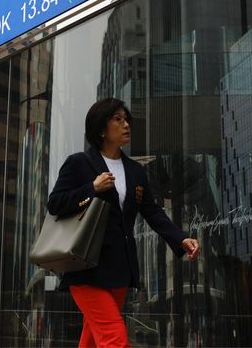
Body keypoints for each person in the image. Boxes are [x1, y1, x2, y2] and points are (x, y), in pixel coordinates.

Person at [47, 98, 200, 347]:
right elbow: (55, 203)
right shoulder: (79, 163)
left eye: (126, 119)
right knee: (114, 338)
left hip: (119, 269)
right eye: (118, 119)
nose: (126, 124)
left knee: (94, 340)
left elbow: (152, 212)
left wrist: (180, 238)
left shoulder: (135, 171)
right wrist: (92, 188)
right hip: (85, 267)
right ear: (101, 129)